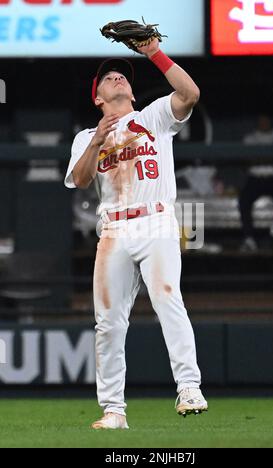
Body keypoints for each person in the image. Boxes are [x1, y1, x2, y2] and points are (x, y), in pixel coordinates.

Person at [64, 39, 208, 430]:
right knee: (108, 322)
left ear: (130, 89)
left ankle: (189, 386)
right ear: (98, 97)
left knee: (167, 297)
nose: (117, 78)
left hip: (157, 221)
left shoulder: (154, 116)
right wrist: (96, 140)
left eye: (123, 76)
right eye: (108, 77)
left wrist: (153, 53)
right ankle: (113, 410)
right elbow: (79, 179)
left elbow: (190, 93)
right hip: (113, 230)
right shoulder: (85, 138)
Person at [239, 115, 273, 252]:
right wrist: (268, 157)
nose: (264, 123)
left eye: (266, 120)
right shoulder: (250, 138)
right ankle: (249, 239)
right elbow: (247, 161)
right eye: (261, 120)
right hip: (256, 178)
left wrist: (262, 158)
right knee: (244, 199)